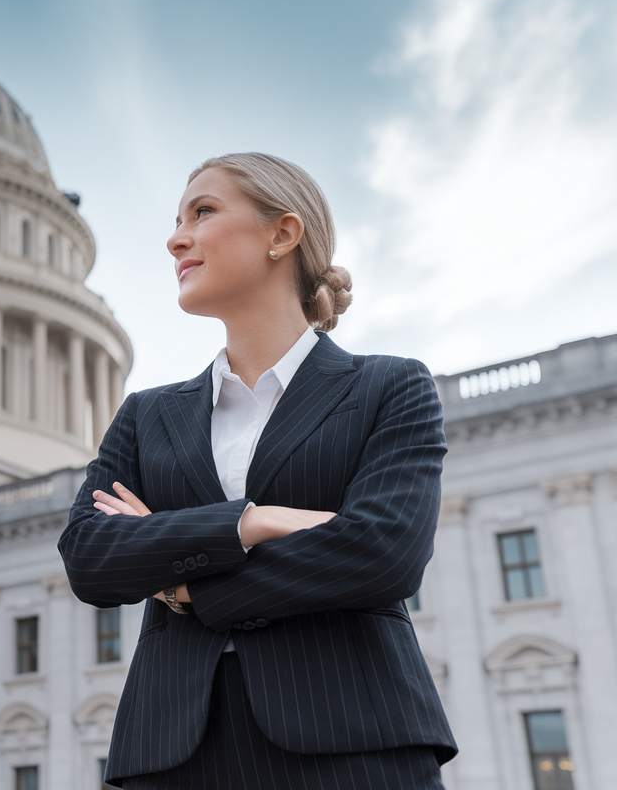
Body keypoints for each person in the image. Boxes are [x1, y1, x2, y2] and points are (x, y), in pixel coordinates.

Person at [58, 153, 457, 788]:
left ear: (282, 233)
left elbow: (385, 553)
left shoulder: (390, 387)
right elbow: (89, 557)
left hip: (354, 744)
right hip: (174, 755)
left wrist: (184, 586)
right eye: (177, 220)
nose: (175, 239)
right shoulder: (146, 414)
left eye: (202, 212)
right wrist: (251, 523)